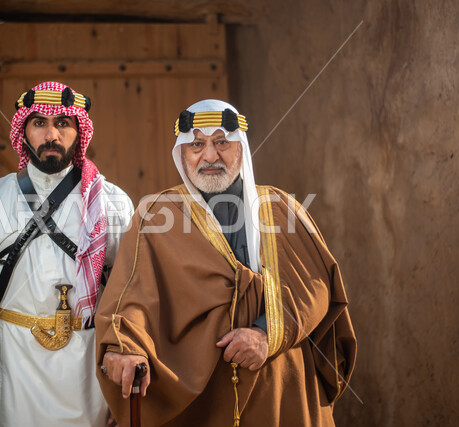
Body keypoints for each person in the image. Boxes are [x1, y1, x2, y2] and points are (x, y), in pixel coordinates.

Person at [95, 99, 357, 426]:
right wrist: (128, 345)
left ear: (241, 148)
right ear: (182, 153)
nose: (209, 156)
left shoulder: (283, 208)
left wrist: (264, 335)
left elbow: (313, 287)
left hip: (277, 383)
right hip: (197, 393)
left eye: (221, 142)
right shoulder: (156, 214)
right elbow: (132, 291)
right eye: (197, 145)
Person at [0, 81, 134, 427]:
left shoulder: (111, 202)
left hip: (86, 369)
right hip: (11, 361)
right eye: (39, 123)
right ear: (23, 131)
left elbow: (130, 290)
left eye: (62, 123)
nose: (51, 134)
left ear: (78, 131)